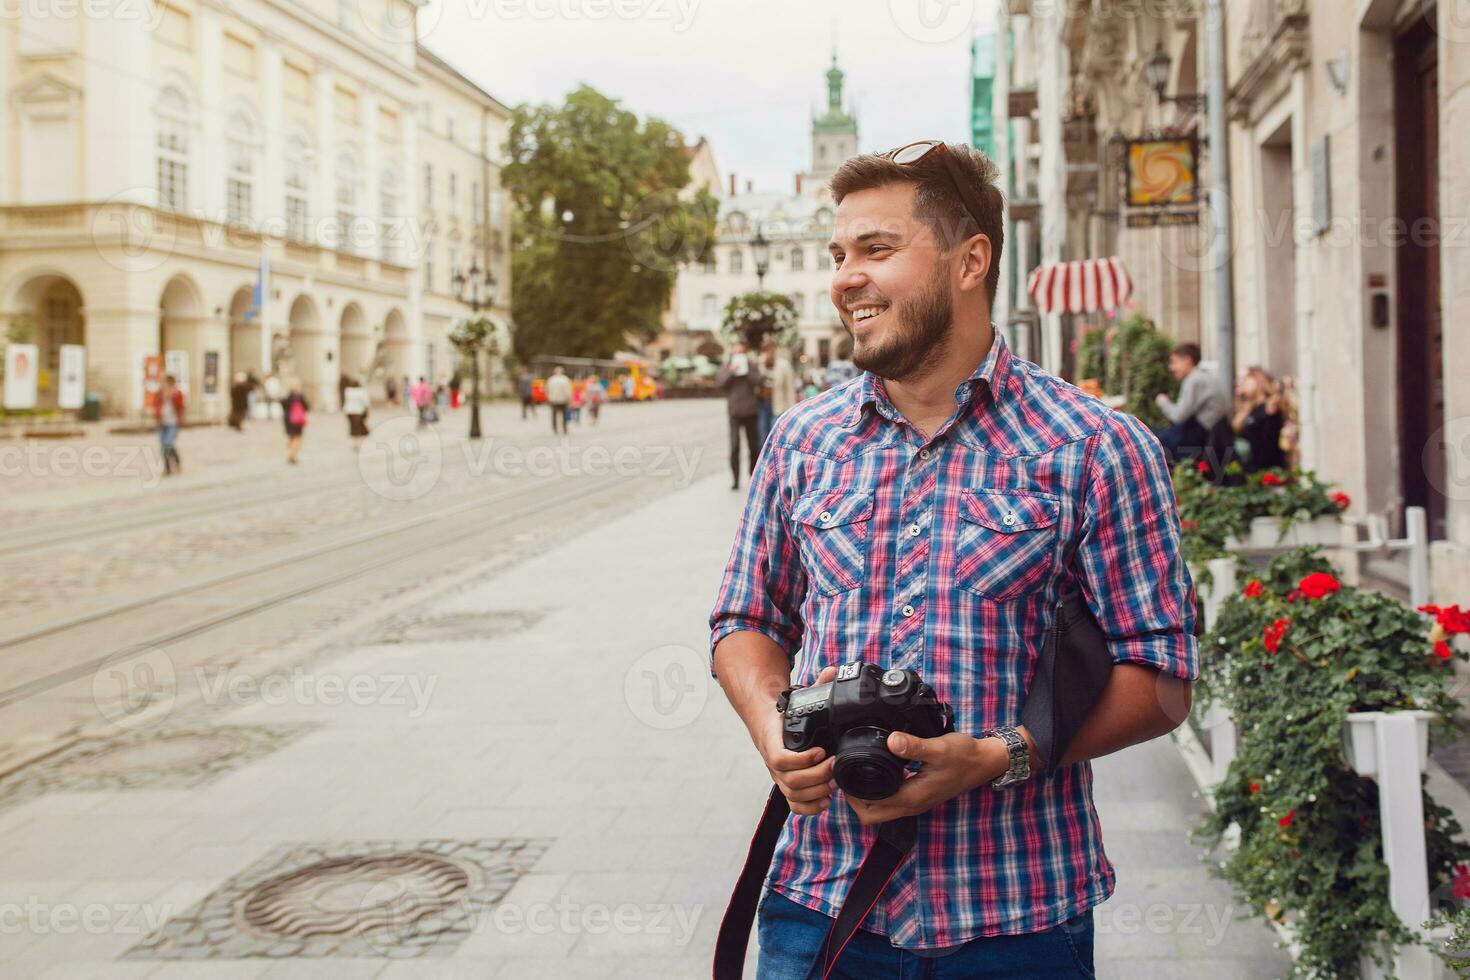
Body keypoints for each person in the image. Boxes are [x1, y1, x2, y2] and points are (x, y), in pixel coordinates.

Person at [709, 141, 1196, 978]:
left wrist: (998, 756)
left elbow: (1161, 674)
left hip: (1017, 919)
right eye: (838, 255)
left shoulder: (1098, 447)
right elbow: (746, 618)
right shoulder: (801, 438)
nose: (845, 279)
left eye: (877, 249)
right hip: (818, 905)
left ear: (972, 260)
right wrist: (772, 728)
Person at [1153, 342, 1230, 465]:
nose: (1171, 368)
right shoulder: (1202, 377)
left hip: (1199, 436)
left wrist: (1163, 402)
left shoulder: (1194, 380)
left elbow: (1178, 416)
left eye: (1174, 362)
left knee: (1152, 440)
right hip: (1204, 433)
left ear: (1187, 360)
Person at [717, 341, 764, 490]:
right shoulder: (726, 366)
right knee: (735, 445)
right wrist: (732, 371)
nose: (738, 355)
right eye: (736, 352)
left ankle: (752, 477)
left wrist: (746, 370)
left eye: (741, 352)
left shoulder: (752, 365)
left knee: (753, 446)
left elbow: (759, 381)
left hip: (750, 411)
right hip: (735, 412)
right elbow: (720, 384)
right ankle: (735, 479)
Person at [1232, 366, 1286, 472]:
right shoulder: (1249, 409)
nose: (1241, 383)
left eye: (1246, 380)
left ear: (1257, 381)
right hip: (1252, 467)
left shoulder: (1270, 405)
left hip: (1268, 467)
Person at [154, 373, 185, 476]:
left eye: (165, 382)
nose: (163, 384)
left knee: (168, 443)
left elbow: (180, 407)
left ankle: (176, 462)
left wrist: (171, 396)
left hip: (173, 423)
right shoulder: (160, 393)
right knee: (164, 446)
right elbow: (156, 405)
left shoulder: (177, 393)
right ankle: (167, 468)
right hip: (162, 423)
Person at [280, 380, 309, 464]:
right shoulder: (299, 397)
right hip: (297, 420)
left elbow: (283, 406)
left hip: (288, 419)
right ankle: (293, 455)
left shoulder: (287, 397)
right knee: (297, 438)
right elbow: (307, 407)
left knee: (292, 437)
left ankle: (291, 454)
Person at [342, 375, 370, 445]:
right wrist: (368, 410)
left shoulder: (347, 390)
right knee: (358, 427)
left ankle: (354, 443)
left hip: (349, 411)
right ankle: (358, 443)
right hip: (358, 411)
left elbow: (346, 400)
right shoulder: (361, 391)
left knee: (353, 427)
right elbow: (366, 402)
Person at [545, 366, 572, 435]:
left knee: (554, 415)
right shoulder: (565, 379)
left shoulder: (551, 379)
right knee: (564, 415)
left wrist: (549, 397)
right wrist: (569, 399)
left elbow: (547, 390)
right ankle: (564, 428)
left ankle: (555, 428)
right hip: (563, 400)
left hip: (553, 400)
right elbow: (568, 391)